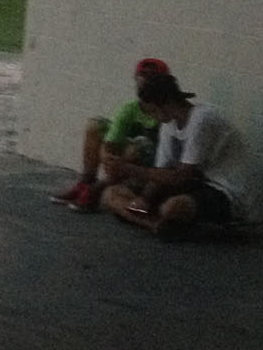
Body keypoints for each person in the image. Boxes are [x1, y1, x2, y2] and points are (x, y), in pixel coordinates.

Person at [100, 72, 249, 238]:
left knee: (172, 207)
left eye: (152, 111)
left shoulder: (201, 119)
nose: (152, 117)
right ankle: (155, 224)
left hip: (221, 190)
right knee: (111, 194)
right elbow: (161, 172)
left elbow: (181, 177)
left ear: (166, 104)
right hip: (191, 185)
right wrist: (144, 199)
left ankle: (167, 221)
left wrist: (129, 169)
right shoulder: (168, 124)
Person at [51, 57, 169, 211]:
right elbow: (111, 142)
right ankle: (86, 182)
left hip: (153, 164)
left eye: (151, 77)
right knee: (95, 124)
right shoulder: (130, 108)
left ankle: (98, 188)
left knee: (141, 145)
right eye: (142, 76)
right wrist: (109, 159)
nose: (144, 82)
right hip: (125, 161)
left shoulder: (167, 111)